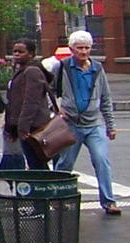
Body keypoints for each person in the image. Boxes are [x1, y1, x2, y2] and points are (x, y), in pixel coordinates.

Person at [51, 30, 120, 215]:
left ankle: (109, 201)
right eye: (80, 48)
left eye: (87, 48)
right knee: (65, 164)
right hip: (71, 124)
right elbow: (49, 90)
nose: (84, 52)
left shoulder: (97, 68)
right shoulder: (62, 67)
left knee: (101, 160)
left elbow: (105, 98)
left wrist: (110, 126)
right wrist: (57, 109)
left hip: (94, 124)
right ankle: (58, 198)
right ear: (72, 49)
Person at [2, 39, 54, 171]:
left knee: (37, 164)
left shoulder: (32, 71)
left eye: (21, 52)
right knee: (36, 163)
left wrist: (23, 126)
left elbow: (32, 101)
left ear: (31, 54)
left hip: (33, 127)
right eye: (14, 51)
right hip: (23, 125)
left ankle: (45, 189)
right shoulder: (22, 70)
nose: (16, 54)